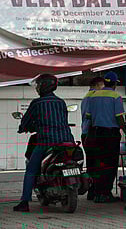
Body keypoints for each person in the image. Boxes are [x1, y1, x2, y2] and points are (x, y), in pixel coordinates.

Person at [13, 74, 74, 212]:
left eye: (39, 85)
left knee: (31, 169)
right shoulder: (61, 102)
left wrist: (23, 128)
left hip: (46, 142)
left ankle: (24, 202)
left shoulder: (37, 103)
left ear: (43, 86)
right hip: (66, 141)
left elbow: (26, 122)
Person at [86, 71, 126, 203]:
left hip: (95, 133)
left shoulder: (93, 96)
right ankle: (106, 193)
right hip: (110, 135)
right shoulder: (115, 97)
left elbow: (88, 116)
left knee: (98, 164)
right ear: (115, 84)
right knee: (110, 165)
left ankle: (98, 193)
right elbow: (119, 118)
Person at [80, 76, 104, 200]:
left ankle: (92, 190)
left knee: (91, 163)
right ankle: (95, 190)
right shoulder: (94, 97)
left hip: (85, 133)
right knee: (97, 163)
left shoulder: (86, 97)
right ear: (99, 85)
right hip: (92, 133)